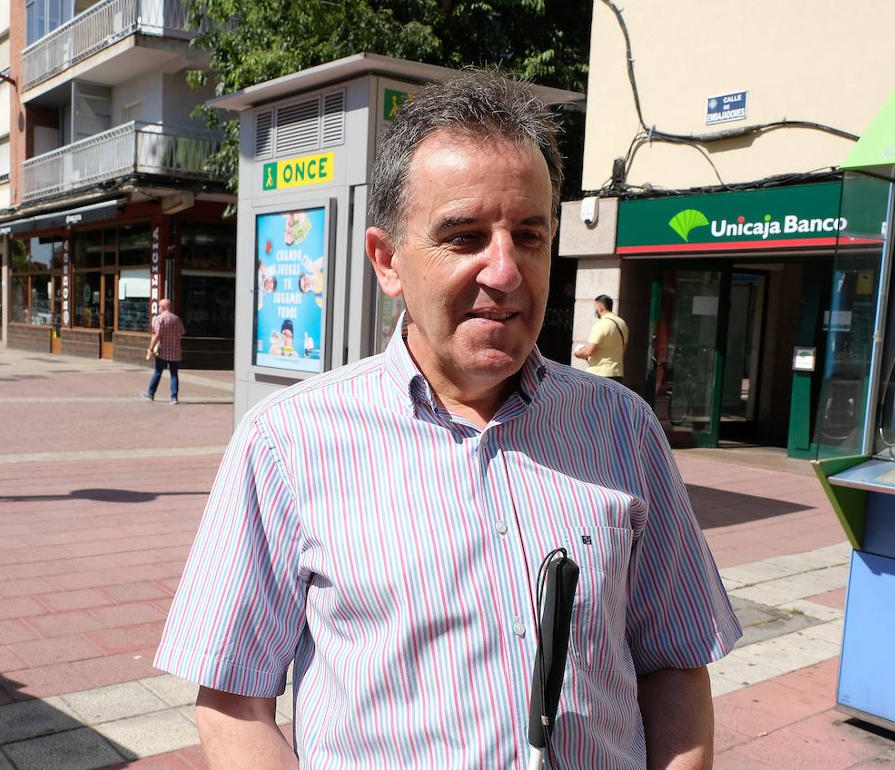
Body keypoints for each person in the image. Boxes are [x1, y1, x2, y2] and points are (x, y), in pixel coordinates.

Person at [155, 72, 740, 770]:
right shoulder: (288, 442)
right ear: (387, 261)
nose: (506, 271)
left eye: (529, 235)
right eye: (464, 238)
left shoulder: (623, 430)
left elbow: (674, 663)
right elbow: (233, 702)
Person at [575, 294, 630, 384]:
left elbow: (588, 352)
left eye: (595, 307)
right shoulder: (622, 323)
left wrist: (577, 353)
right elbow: (623, 350)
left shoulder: (601, 325)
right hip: (617, 374)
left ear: (600, 307)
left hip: (599, 374)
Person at [140, 298, 185, 404]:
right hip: (175, 351)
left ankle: (150, 393)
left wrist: (150, 348)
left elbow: (156, 335)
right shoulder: (177, 319)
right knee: (174, 374)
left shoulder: (158, 319)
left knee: (158, 372)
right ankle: (174, 398)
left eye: (160, 306)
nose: (159, 308)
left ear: (163, 307)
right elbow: (181, 333)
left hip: (162, 351)